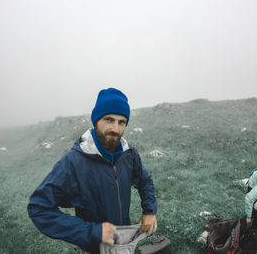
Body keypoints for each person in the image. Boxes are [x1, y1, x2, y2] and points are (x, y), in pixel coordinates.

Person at [27, 87, 158, 254]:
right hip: (94, 248)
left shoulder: (129, 154)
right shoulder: (74, 162)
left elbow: (144, 180)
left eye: (121, 122)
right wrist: (93, 232)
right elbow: (39, 208)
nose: (115, 129)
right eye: (109, 120)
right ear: (96, 120)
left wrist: (149, 211)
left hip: (124, 244)